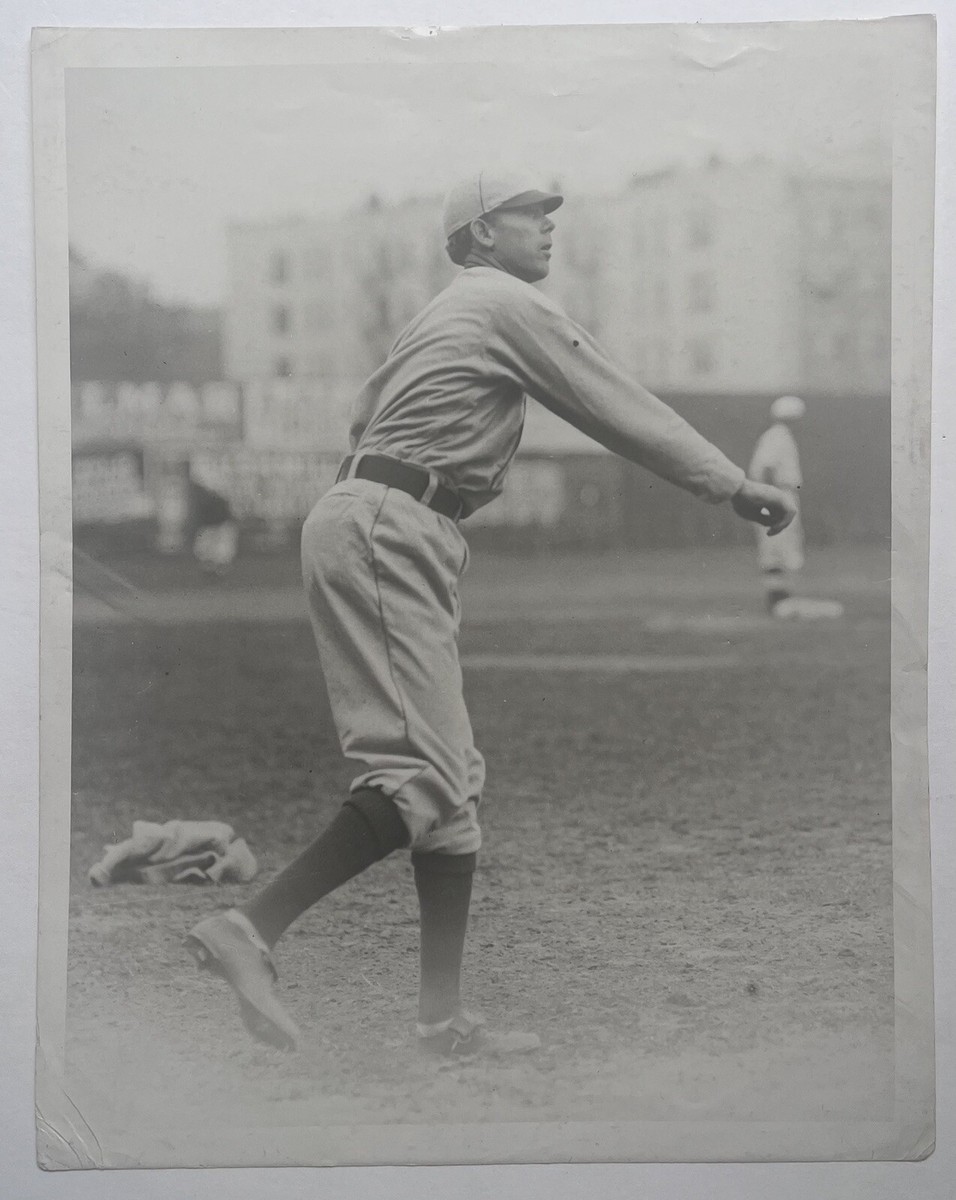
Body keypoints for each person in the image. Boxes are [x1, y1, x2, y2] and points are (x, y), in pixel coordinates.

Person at [185, 169, 796, 1059]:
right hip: (392, 524)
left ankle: (441, 1020)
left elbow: (364, 415)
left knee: (450, 786)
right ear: (477, 236)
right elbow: (613, 404)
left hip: (384, 518)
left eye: (549, 215)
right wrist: (732, 485)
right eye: (527, 215)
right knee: (426, 779)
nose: (548, 228)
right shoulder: (497, 301)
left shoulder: (442, 315)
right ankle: (250, 927)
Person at [748, 396, 843, 620]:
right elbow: (766, 468)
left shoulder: (781, 436)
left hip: (779, 494)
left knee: (783, 547)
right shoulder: (777, 437)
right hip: (777, 495)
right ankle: (777, 600)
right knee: (777, 548)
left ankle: (781, 598)